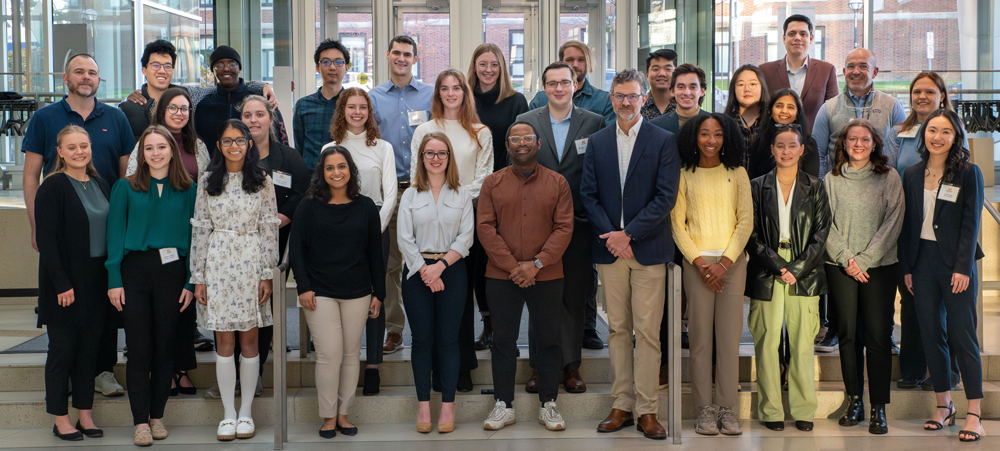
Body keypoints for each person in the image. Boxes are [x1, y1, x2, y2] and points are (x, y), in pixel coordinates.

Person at [22, 53, 132, 398]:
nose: (86, 77)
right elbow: (30, 176)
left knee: (103, 311)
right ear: (66, 78)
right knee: (66, 310)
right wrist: (36, 225)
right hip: (65, 234)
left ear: (100, 80)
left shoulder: (115, 118)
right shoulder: (45, 118)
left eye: (93, 73)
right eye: (79, 72)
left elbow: (128, 175)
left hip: (105, 233)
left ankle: (102, 373)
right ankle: (67, 377)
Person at [581, 69, 680, 440]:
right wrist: (613, 237)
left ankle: (647, 410)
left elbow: (665, 197)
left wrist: (629, 234)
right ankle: (621, 405)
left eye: (632, 96)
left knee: (648, 333)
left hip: (648, 250)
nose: (626, 102)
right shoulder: (598, 141)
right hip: (610, 251)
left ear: (643, 99)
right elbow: (588, 195)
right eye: (619, 95)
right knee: (618, 330)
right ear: (611, 98)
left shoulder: (663, 141)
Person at [203, 94, 309, 400]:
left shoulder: (287, 157)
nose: (253, 120)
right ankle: (228, 374)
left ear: (270, 118)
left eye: (259, 114)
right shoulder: (222, 165)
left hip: (271, 242)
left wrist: (282, 217)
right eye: (247, 115)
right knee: (225, 314)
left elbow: (303, 190)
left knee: (259, 311)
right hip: (226, 249)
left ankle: (256, 371)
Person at [478, 121, 574, 432]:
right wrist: (513, 267)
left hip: (547, 275)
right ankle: (504, 405)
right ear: (507, 146)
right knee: (503, 341)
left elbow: (564, 228)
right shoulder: (492, 183)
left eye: (527, 138)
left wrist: (536, 263)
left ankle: (548, 404)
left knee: (548, 340)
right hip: (501, 276)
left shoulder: (558, 183)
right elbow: (485, 229)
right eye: (515, 138)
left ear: (538, 144)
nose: (522, 143)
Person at [105, 126, 197, 445]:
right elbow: (114, 236)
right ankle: (140, 422)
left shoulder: (189, 190)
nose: (155, 153)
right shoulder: (125, 187)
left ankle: (157, 417)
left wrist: (190, 281)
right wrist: (114, 279)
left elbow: (196, 240)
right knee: (140, 348)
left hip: (172, 273)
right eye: (149, 148)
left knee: (165, 347)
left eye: (161, 147)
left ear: (172, 151)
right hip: (135, 271)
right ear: (141, 154)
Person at [516, 61, 604, 392]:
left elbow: (596, 173)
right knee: (540, 298)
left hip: (579, 225)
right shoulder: (526, 122)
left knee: (573, 297)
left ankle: (570, 366)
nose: (558, 89)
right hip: (536, 227)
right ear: (544, 87)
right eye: (551, 83)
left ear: (575, 84)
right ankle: (540, 367)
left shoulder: (594, 122)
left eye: (564, 82)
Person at [189, 120, 280, 441]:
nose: (234, 147)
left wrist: (268, 273)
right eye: (227, 141)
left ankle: (246, 413)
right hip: (218, 262)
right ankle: (228, 413)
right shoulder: (207, 181)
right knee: (224, 342)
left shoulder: (263, 181)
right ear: (219, 145)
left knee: (250, 341)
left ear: (249, 144)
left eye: (239, 141)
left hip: (251, 262)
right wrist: (198, 277)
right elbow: (200, 229)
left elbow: (269, 227)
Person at [289, 146, 385, 439]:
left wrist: (378, 293)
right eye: (330, 168)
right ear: (322, 172)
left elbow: (375, 254)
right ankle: (328, 416)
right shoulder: (307, 206)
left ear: (350, 170)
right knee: (329, 355)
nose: (336, 173)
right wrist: (303, 287)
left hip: (357, 291)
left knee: (350, 354)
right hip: (319, 292)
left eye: (341, 166)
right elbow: (297, 251)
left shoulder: (367, 207)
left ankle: (344, 414)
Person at [899, 109, 984, 442]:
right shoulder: (911, 173)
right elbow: (907, 227)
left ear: (955, 137)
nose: (937, 137)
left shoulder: (968, 173)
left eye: (945, 132)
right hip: (921, 263)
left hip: (955, 266)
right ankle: (944, 405)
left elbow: (971, 223)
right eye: (932, 130)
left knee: (963, 337)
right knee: (930, 333)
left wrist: (964, 267)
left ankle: (974, 411)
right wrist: (906, 267)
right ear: (924, 135)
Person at [410, 69, 493, 391]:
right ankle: (434, 369)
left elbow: (486, 177)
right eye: (444, 88)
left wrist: (454, 199)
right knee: (432, 296)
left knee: (459, 297)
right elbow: (418, 171)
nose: (450, 93)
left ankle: (462, 369)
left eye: (456, 87)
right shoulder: (426, 130)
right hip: (429, 223)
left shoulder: (479, 131)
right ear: (438, 93)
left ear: (465, 92)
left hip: (467, 219)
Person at [671, 113, 753, 437]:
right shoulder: (684, 174)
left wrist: (725, 263)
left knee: (729, 341)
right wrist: (700, 262)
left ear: (726, 138)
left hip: (732, 265)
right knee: (701, 340)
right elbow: (678, 224)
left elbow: (745, 221)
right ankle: (704, 409)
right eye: (704, 134)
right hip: (696, 265)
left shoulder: (738, 173)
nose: (710, 140)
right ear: (694, 137)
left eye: (717, 134)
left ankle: (728, 409)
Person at [745, 125, 831, 433]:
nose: (785, 151)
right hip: (766, 273)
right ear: (772, 149)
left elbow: (822, 234)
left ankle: (804, 409)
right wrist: (777, 265)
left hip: (804, 275)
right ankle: (771, 411)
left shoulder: (816, 187)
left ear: (801, 150)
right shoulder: (756, 186)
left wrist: (795, 268)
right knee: (767, 343)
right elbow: (749, 233)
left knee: (802, 344)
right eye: (779, 145)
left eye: (791, 145)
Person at [824, 119, 903, 435]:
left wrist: (865, 260)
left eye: (865, 139)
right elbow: (824, 223)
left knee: (878, 336)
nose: (858, 144)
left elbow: (893, 222)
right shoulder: (831, 179)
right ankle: (854, 400)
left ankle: (878, 407)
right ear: (843, 143)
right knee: (847, 334)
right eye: (852, 139)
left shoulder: (889, 177)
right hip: (840, 267)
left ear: (875, 144)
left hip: (880, 268)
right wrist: (847, 259)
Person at [884, 72, 962, 390]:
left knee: (941, 306)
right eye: (917, 91)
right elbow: (887, 172)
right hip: (907, 226)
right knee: (911, 298)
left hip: (942, 231)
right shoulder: (897, 132)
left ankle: (943, 371)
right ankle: (913, 367)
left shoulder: (954, 130)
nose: (922, 97)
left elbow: (961, 176)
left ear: (942, 95)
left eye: (929, 91)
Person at [36, 125, 110, 442]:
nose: (80, 151)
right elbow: (47, 242)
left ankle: (85, 414)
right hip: (64, 283)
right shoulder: (52, 187)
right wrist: (62, 284)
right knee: (62, 353)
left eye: (84, 145)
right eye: (72, 147)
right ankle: (61, 418)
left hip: (96, 280)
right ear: (61, 152)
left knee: (88, 352)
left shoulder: (99, 183)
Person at [397, 132, 474, 434]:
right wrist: (425, 271)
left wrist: (440, 267)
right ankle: (423, 404)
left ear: (449, 158)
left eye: (442, 153)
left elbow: (466, 238)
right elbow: (404, 238)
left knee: (448, 340)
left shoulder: (462, 193)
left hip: (452, 269)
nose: (436, 158)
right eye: (430, 153)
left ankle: (448, 405)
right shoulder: (410, 194)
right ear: (422, 158)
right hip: (417, 273)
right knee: (422, 340)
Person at [324, 87, 397, 395]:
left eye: (362, 107)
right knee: (345, 295)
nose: (357, 112)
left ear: (370, 112)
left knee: (375, 295)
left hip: (375, 228)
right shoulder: (331, 146)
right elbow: (323, 191)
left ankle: (373, 366)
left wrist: (372, 231)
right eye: (351, 107)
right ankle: (345, 362)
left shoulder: (383, 147)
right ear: (342, 111)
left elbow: (390, 193)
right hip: (339, 230)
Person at [368, 35, 434, 355]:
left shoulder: (430, 95)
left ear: (415, 58)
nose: (401, 58)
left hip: (425, 190)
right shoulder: (374, 97)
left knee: (428, 258)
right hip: (392, 192)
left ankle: (430, 327)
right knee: (392, 264)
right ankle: (394, 329)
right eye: (396, 53)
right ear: (387, 55)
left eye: (408, 54)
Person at [467, 44, 529, 351]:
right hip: (472, 195)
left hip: (507, 191)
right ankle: (488, 325)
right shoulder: (465, 99)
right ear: (474, 66)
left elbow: (520, 145)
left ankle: (509, 330)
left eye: (494, 64)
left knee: (505, 258)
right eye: (482, 64)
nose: (488, 69)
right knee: (479, 262)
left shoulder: (516, 100)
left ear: (502, 66)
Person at [120, 39, 275, 141]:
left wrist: (262, 86)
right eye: (155, 65)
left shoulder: (189, 95)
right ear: (144, 70)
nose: (162, 70)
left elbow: (226, 85)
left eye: (167, 66)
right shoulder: (131, 107)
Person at [812, 48, 906, 178]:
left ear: (875, 72)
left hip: (880, 186)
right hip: (838, 188)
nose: (856, 72)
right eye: (851, 66)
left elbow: (903, 152)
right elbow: (817, 154)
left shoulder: (892, 107)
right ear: (844, 72)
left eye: (863, 66)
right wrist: (823, 186)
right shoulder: (828, 108)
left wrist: (892, 184)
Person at [194, 46, 288, 151]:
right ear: (213, 71)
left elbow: (281, 137)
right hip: (215, 166)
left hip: (258, 165)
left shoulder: (261, 99)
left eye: (232, 64)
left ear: (239, 68)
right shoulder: (204, 105)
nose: (226, 68)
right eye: (219, 65)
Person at [758, 14, 839, 133]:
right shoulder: (765, 71)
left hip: (814, 145)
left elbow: (834, 113)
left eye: (803, 34)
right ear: (784, 38)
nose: (797, 38)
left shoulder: (827, 70)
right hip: (775, 144)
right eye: (792, 34)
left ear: (811, 39)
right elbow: (760, 111)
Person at [126, 88, 211, 180]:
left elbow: (206, 184)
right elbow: (131, 180)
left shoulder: (198, 145)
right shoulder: (146, 143)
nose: (179, 113)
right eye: (172, 108)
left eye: (184, 108)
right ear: (162, 110)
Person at [528, 40, 615, 127]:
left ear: (588, 63)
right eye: (570, 60)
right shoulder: (541, 99)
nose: (575, 65)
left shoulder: (604, 101)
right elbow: (529, 133)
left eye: (581, 60)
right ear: (561, 62)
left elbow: (606, 136)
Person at [293, 39, 350, 170]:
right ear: (318, 68)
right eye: (326, 62)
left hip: (345, 178)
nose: (332, 67)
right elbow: (299, 148)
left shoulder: (353, 105)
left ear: (346, 67)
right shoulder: (303, 105)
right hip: (312, 180)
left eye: (338, 62)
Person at [747, 89, 821, 180]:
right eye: (779, 106)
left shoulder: (809, 144)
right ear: (770, 111)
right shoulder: (759, 142)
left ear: (797, 113)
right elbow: (752, 180)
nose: (784, 111)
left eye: (790, 107)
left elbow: (812, 182)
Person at [724, 65, 769, 163]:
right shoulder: (724, 123)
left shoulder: (771, 122)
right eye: (740, 85)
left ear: (762, 87)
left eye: (753, 84)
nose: (747, 89)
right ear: (733, 89)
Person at [649, 63, 710, 134]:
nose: (687, 93)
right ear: (672, 91)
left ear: (702, 91)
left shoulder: (715, 122)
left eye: (693, 87)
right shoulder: (656, 125)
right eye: (681, 87)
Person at [641, 49, 678, 121]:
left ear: (676, 75)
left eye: (668, 69)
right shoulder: (638, 106)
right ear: (647, 75)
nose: (662, 74)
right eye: (656, 69)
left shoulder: (684, 105)